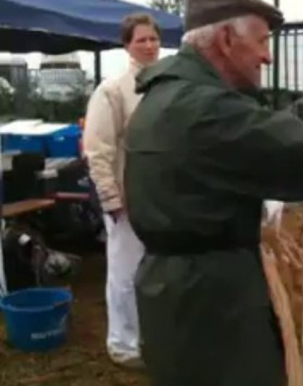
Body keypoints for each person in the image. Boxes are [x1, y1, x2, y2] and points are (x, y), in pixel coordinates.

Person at [122, 0, 303, 384]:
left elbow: (249, 138)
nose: (267, 56)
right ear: (227, 39)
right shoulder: (205, 109)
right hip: (216, 308)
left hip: (174, 299)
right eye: (262, 41)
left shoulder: (168, 97)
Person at [83, 12, 161, 369]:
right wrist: (112, 199)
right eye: (140, 39)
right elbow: (97, 150)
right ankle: (123, 345)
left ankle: (149, 336)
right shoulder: (113, 90)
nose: (148, 45)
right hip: (128, 199)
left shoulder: (163, 85)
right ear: (126, 44)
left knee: (153, 271)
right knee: (125, 273)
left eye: (153, 39)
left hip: (160, 197)